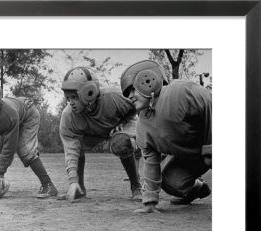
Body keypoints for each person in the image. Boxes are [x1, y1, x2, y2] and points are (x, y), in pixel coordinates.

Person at [120, 60, 212, 213]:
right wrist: (149, 202)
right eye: (126, 93)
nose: (129, 96)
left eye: (132, 90)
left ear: (148, 79)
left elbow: (209, 103)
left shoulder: (179, 92)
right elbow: (150, 162)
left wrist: (211, 147)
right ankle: (199, 189)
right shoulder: (142, 126)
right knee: (171, 182)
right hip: (192, 157)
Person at [59, 66, 142, 202]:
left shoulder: (113, 97)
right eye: (68, 98)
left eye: (74, 97)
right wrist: (73, 180)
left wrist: (124, 121)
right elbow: (71, 150)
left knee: (120, 143)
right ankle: (79, 188)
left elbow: (138, 105)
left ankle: (136, 187)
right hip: (94, 134)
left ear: (89, 92)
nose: (70, 102)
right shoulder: (68, 116)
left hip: (119, 127)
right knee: (77, 144)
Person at [0, 78, 58, 199]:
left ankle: (48, 185)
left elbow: (9, 148)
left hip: (28, 114)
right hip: (14, 118)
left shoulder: (7, 115)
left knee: (24, 150)